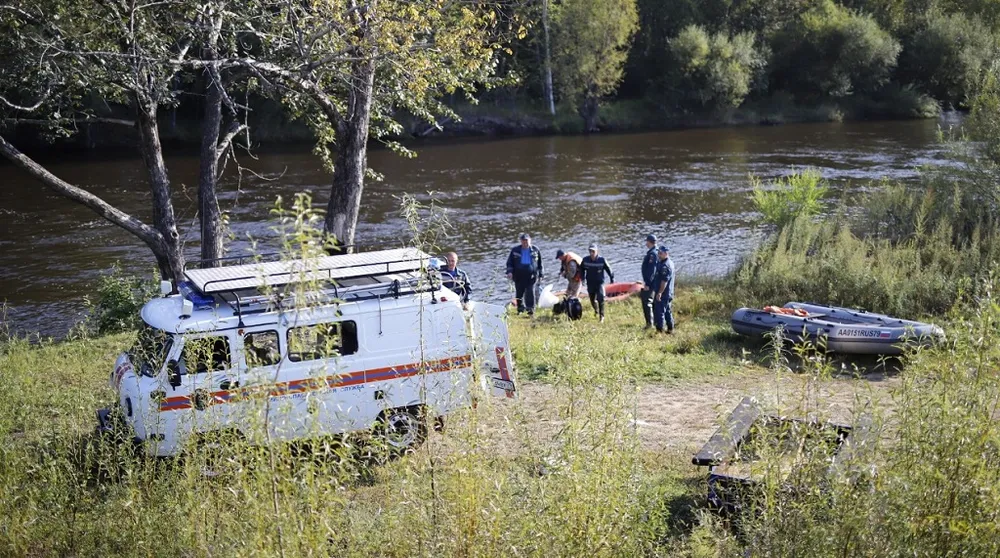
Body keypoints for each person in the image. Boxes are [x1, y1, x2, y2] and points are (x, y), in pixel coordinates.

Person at [505, 233, 543, 315]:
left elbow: (540, 263)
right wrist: (509, 272)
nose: (525, 242)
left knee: (530, 292)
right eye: (523, 241)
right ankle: (520, 309)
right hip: (519, 276)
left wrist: (541, 274)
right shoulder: (515, 250)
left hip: (531, 276)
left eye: (526, 240)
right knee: (519, 293)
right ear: (521, 241)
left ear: (530, 240)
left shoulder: (535, 250)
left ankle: (530, 310)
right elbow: (509, 263)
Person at [580, 243, 614, 323]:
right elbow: (581, 269)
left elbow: (609, 269)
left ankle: (602, 316)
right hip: (590, 282)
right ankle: (596, 310)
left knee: (601, 298)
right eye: (590, 251)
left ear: (597, 251)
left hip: (599, 282)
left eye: (593, 251)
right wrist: (582, 278)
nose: (591, 253)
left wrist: (612, 279)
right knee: (592, 299)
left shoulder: (602, 260)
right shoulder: (585, 260)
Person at [653, 245, 675, 333]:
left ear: (666, 253)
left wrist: (659, 293)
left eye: (660, 253)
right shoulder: (662, 262)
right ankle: (670, 329)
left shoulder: (666, 265)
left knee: (660, 312)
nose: (658, 254)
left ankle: (660, 330)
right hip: (667, 292)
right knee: (667, 311)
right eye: (658, 253)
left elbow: (664, 281)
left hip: (664, 293)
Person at [639, 234, 658, 329]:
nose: (646, 243)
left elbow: (651, 270)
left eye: (647, 241)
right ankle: (654, 322)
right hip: (654, 282)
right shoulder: (655, 252)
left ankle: (650, 324)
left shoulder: (652, 254)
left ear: (649, 242)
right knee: (653, 302)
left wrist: (647, 283)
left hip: (651, 283)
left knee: (647, 302)